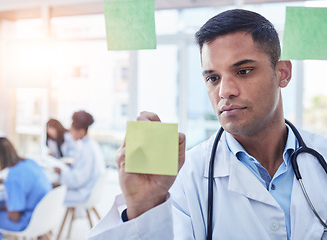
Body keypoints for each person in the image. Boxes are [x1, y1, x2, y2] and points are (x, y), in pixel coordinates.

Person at [87, 9, 327, 240]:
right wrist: (144, 208)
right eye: (213, 78)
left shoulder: (323, 156)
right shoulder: (184, 178)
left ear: (282, 73)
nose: (224, 92)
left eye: (243, 71)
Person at [0, 137, 52, 240]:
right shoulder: (30, 162)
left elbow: (14, 217)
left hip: (29, 220)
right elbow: (26, 183)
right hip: (46, 215)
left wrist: (4, 206)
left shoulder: (13, 178)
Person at [54, 110, 105, 205]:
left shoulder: (87, 149)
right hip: (87, 189)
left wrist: (62, 172)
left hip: (84, 193)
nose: (70, 131)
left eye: (72, 129)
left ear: (81, 131)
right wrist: (73, 165)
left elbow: (78, 180)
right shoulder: (89, 144)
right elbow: (83, 170)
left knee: (51, 195)